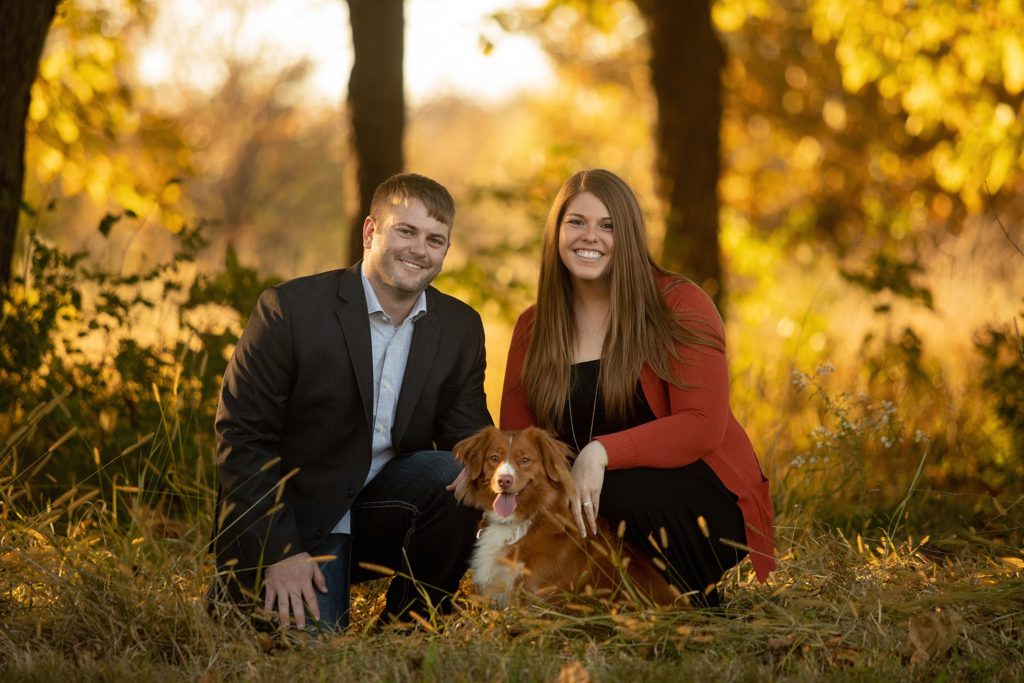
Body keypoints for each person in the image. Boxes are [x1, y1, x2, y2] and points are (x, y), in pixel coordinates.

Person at [211, 173, 492, 631]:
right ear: (370, 232)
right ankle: (244, 595)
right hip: (296, 519)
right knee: (309, 660)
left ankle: (408, 629)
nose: (420, 250)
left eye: (435, 239)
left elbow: (472, 441)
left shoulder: (459, 327)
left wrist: (506, 496)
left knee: (456, 474)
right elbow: (241, 440)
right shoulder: (290, 311)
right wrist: (280, 552)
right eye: (406, 231)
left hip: (383, 509)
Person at [499, 169, 776, 606]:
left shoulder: (679, 304)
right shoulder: (533, 327)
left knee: (619, 489)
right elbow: (517, 441)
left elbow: (702, 425)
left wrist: (601, 452)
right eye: (577, 222)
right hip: (586, 501)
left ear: (628, 236)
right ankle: (607, 602)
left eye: (608, 225)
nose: (590, 236)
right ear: (556, 232)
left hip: (697, 497)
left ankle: (696, 603)